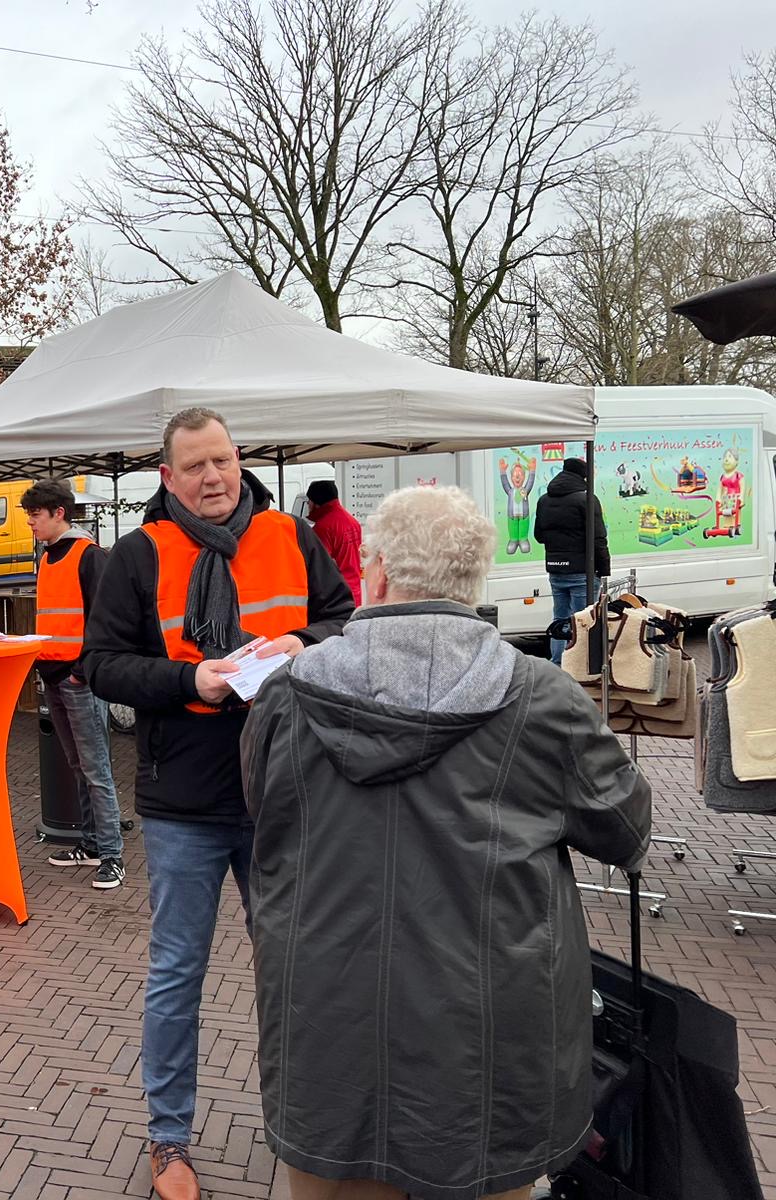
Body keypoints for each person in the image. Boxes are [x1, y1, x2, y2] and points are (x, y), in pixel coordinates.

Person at [241, 485, 651, 1200]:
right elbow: (627, 829)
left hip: (328, 1018)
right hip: (490, 1035)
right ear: (473, 580)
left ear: (376, 574)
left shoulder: (287, 695)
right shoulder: (544, 701)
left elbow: (263, 811)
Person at [81, 407, 354, 1200]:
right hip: (185, 800)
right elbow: (100, 666)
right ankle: (170, 1142)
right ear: (166, 478)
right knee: (177, 973)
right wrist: (185, 681)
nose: (213, 478)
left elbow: (344, 618)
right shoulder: (135, 557)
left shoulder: (291, 537)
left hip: (285, 790)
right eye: (195, 466)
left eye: (223, 461)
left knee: (298, 969)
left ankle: (309, 1127)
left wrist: (303, 645)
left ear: (240, 463)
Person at [22, 479, 126, 889]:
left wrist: (83, 668)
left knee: (95, 767)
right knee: (78, 764)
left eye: (35, 514)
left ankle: (111, 853)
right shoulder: (47, 557)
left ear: (58, 513)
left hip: (77, 678)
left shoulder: (89, 556)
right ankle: (92, 842)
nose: (30, 522)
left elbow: (105, 620)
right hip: (55, 674)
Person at [534, 456, 610, 663]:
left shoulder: (544, 500)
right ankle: (580, 669)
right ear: (583, 475)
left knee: (560, 620)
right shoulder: (587, 499)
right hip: (582, 572)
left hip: (556, 571)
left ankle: (558, 664)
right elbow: (598, 538)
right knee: (584, 622)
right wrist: (604, 569)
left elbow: (539, 536)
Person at [304, 480, 363, 605]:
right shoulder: (352, 521)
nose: (308, 504)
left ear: (316, 503)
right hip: (355, 592)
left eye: (309, 500)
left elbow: (318, 566)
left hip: (336, 597)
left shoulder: (323, 528)